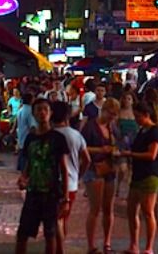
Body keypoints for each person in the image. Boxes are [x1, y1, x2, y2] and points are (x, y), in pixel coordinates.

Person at [16, 98, 71, 254]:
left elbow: (63, 169)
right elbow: (28, 162)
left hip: (51, 193)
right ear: (33, 113)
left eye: (45, 109)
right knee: (23, 233)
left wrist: (65, 198)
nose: (42, 113)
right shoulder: (30, 138)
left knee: (50, 233)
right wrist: (23, 177)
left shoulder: (58, 139)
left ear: (50, 113)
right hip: (33, 192)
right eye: (38, 110)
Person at [122, 100, 158, 254]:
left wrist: (131, 154)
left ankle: (149, 247)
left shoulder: (154, 132)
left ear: (147, 115)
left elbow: (151, 154)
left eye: (138, 116)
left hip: (150, 174)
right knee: (131, 210)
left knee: (148, 211)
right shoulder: (142, 131)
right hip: (138, 174)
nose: (136, 119)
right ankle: (134, 245)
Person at [81, 97, 121, 254]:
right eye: (110, 114)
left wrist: (116, 150)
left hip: (109, 168)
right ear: (103, 110)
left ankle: (107, 242)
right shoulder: (90, 126)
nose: (111, 117)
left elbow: (120, 142)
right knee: (95, 209)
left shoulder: (112, 127)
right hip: (93, 169)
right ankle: (91, 244)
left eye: (114, 115)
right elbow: (82, 148)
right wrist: (100, 150)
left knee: (108, 208)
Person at [52, 101, 91, 254]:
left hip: (55, 183)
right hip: (72, 183)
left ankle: (59, 249)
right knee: (63, 219)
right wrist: (78, 175)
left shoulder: (51, 135)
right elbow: (87, 160)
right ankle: (59, 246)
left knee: (56, 220)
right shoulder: (76, 135)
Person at [117, 91, 139, 198]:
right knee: (122, 168)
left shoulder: (136, 113)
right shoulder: (119, 112)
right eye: (125, 99)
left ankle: (128, 189)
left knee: (131, 168)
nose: (126, 101)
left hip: (134, 143)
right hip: (121, 143)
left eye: (129, 99)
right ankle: (119, 185)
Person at [16, 92, 37, 171]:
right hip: (27, 135)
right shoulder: (30, 111)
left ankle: (20, 167)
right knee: (27, 154)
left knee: (22, 151)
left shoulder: (20, 110)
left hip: (21, 133)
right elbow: (32, 126)